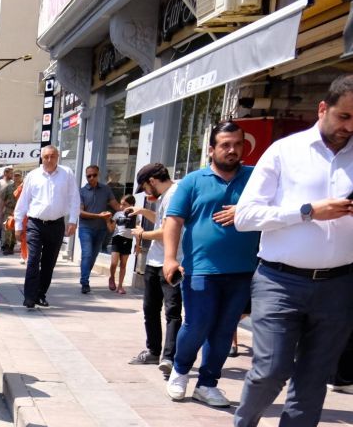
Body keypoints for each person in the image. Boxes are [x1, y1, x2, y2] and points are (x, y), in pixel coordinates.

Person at [224, 76, 353, 427]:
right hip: (280, 281)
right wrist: (307, 212)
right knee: (271, 369)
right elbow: (246, 216)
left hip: (339, 285)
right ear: (323, 109)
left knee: (312, 383)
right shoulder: (285, 152)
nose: (349, 127)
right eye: (344, 116)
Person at [161, 122, 260, 407]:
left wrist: (245, 211)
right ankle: (180, 371)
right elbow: (174, 220)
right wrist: (170, 258)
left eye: (238, 144)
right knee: (197, 324)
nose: (232, 150)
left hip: (242, 270)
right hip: (201, 269)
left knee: (225, 328)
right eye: (225, 145)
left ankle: (207, 384)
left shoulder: (255, 178)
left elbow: (273, 209)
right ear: (211, 149)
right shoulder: (193, 181)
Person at [128, 163, 181, 372]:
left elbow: (167, 231)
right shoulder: (165, 196)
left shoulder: (174, 194)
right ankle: (153, 351)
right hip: (154, 260)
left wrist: (142, 234)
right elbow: (161, 222)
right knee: (150, 309)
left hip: (172, 261)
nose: (146, 192)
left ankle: (169, 357)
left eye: (145, 187)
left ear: (152, 181)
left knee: (172, 312)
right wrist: (143, 211)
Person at [14, 145, 79, 309]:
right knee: (33, 260)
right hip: (35, 223)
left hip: (56, 224)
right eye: (46, 157)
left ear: (58, 157)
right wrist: (18, 225)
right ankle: (29, 297)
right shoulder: (33, 175)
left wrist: (73, 220)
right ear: (41, 158)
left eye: (53, 156)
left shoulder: (67, 174)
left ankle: (40, 294)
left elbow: (74, 198)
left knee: (49, 262)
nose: (49, 160)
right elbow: (23, 201)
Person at [78, 164, 122, 294]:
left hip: (101, 229)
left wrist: (128, 210)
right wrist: (98, 216)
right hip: (86, 228)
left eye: (94, 175)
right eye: (89, 176)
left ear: (98, 175)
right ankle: (84, 282)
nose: (91, 178)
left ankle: (85, 276)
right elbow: (80, 212)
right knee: (87, 254)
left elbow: (116, 205)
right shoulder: (81, 191)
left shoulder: (106, 189)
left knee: (93, 256)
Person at [107, 194, 141, 294]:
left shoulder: (135, 216)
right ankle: (112, 277)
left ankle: (120, 286)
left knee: (123, 264)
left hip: (128, 240)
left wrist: (137, 245)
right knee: (114, 263)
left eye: (124, 204)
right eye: (121, 204)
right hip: (117, 239)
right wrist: (107, 220)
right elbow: (111, 229)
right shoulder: (118, 214)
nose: (121, 206)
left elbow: (137, 231)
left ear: (131, 205)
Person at [0, 166, 17, 254]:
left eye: (13, 173)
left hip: (7, 209)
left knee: (5, 227)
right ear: (5, 173)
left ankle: (4, 245)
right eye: (11, 173)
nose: (12, 175)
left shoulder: (13, 183)